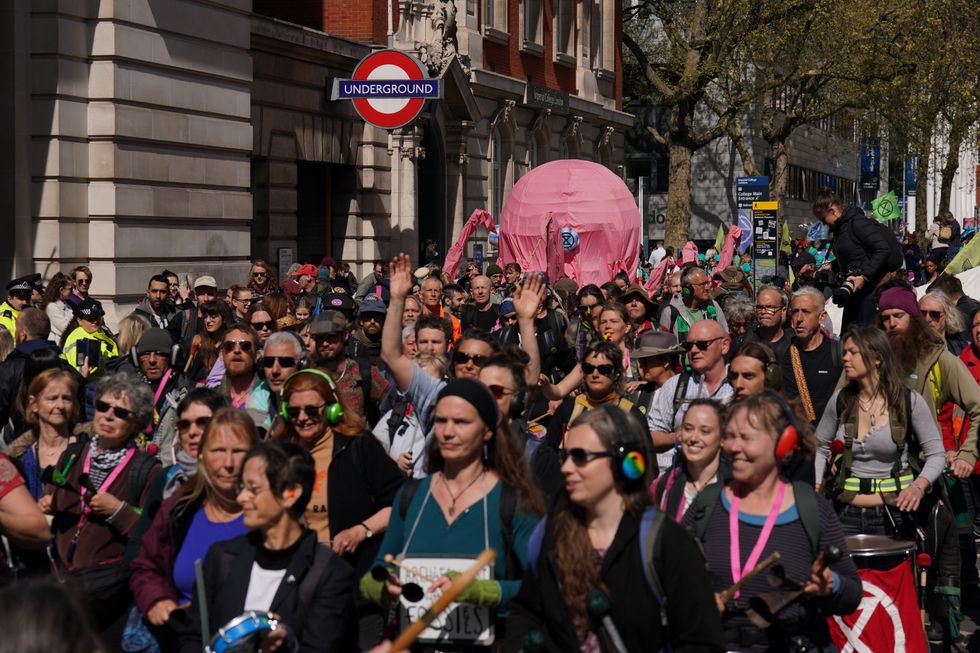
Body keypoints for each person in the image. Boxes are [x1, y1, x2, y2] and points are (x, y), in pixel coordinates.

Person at [506, 404, 726, 651]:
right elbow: (526, 613)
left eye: (580, 457)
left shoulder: (668, 544)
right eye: (566, 457)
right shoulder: (552, 533)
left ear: (627, 462)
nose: (566, 468)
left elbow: (702, 642)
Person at [360, 379, 545, 645]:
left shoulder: (513, 501)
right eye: (441, 421)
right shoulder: (411, 496)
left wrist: (481, 590)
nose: (447, 432)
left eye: (461, 422)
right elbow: (378, 570)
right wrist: (381, 586)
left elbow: (541, 586)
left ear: (488, 431)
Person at [686, 392, 862, 652]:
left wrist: (830, 585)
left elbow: (852, 594)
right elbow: (668, 581)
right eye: (730, 436)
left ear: (783, 444)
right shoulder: (706, 506)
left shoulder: (812, 509)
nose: (734, 447)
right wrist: (695, 600)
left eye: (746, 438)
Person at [812, 325, 955, 640]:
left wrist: (918, 486)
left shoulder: (908, 401)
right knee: (844, 602)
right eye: (844, 352)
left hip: (892, 519)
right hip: (845, 516)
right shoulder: (841, 400)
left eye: (852, 352)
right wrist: (817, 485)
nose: (845, 359)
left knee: (888, 599)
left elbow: (936, 454)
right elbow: (820, 446)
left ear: (876, 357)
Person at [178, 441, 355, 653]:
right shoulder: (223, 556)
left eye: (253, 489)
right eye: (241, 487)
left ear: (291, 493)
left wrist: (287, 644)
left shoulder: (329, 573)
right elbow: (194, 636)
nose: (241, 498)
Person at [271, 368, 404, 648]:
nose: (303, 418)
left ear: (331, 408)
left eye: (311, 410)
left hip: (354, 590)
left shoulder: (359, 446)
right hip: (297, 591)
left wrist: (361, 531)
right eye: (294, 412)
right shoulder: (279, 455)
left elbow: (401, 502)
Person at [46, 372, 161, 651]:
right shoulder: (73, 454)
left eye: (120, 412)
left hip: (108, 598)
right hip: (62, 585)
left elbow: (152, 538)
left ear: (136, 423)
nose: (108, 416)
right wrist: (47, 505)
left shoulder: (147, 471)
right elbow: (58, 505)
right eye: (103, 407)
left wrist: (119, 511)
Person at [130, 407, 257, 649]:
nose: (228, 464)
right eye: (218, 451)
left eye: (239, 451)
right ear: (202, 456)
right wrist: (157, 599)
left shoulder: (270, 514)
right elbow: (145, 565)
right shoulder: (180, 508)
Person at [877, 284, 980, 477]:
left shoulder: (943, 357)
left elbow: (976, 406)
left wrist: (968, 453)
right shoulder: (869, 358)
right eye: (885, 318)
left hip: (927, 467)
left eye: (899, 316)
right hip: (874, 468)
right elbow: (842, 406)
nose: (891, 323)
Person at [811, 186, 904, 328]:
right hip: (855, 292)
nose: (823, 224)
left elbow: (882, 249)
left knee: (864, 339)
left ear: (832, 211)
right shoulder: (839, 231)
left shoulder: (857, 223)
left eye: (823, 219)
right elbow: (853, 257)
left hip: (871, 290)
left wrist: (864, 276)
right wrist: (832, 267)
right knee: (850, 336)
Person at [545, 340, 651, 456]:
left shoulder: (631, 416)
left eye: (604, 369)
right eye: (589, 368)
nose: (595, 374)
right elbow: (549, 458)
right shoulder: (567, 410)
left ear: (617, 373)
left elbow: (646, 466)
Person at [648, 319, 735, 458]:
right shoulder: (675, 385)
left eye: (702, 344)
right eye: (689, 345)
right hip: (684, 473)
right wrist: (680, 437)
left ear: (724, 345)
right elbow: (652, 435)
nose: (694, 350)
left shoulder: (739, 383)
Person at [652, 398, 730, 523]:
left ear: (722, 438)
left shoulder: (733, 489)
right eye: (688, 429)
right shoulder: (664, 485)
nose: (693, 438)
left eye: (705, 431)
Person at [8, 368, 81, 500]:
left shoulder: (86, 451)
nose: (60, 405)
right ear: (34, 404)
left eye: (66, 398)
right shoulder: (20, 458)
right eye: (52, 399)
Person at [371, 354, 447, 479]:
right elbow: (373, 454)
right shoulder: (396, 415)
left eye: (430, 382)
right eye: (419, 383)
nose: (425, 388)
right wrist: (394, 462)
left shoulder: (443, 422)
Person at [311, 309, 390, 427]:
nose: (325, 343)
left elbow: (391, 405)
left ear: (345, 336)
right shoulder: (309, 376)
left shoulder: (363, 372)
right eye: (320, 338)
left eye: (331, 337)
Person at [780, 287, 842, 426]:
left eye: (806, 312)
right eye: (795, 312)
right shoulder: (784, 352)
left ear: (821, 316)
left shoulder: (838, 352)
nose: (799, 319)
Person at [210, 325, 273, 432]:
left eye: (245, 346)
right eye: (229, 346)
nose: (237, 350)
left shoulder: (271, 397)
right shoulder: (211, 401)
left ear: (256, 356)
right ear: (221, 355)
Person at [660, 265, 728, 337]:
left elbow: (725, 335)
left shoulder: (713, 306)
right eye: (702, 284)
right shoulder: (670, 312)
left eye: (707, 283)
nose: (707, 287)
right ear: (688, 288)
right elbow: (664, 344)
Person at [60, 298, 119, 379]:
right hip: (92, 387)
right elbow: (81, 373)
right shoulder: (80, 340)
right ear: (79, 320)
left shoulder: (99, 334)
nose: (95, 321)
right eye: (90, 319)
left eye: (97, 318)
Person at [734, 286, 793, 361]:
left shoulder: (794, 342)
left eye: (770, 307)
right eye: (759, 307)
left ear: (783, 311)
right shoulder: (743, 341)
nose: (763, 312)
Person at [183, 299, 233, 384]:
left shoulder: (232, 344)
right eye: (205, 317)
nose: (208, 321)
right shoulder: (198, 342)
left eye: (213, 317)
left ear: (224, 319)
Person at [920, 290, 969, 355]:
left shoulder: (960, 344)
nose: (927, 319)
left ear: (948, 315)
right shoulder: (910, 345)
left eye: (934, 314)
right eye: (923, 313)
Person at [348, 295, 386, 372]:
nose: (372, 321)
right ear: (361, 321)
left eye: (377, 317)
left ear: (383, 321)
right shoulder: (350, 347)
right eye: (368, 317)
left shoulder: (389, 347)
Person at [0, 274, 40, 339]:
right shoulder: (4, 315)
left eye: (27, 298)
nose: (25, 302)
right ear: (10, 299)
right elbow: (11, 342)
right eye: (21, 298)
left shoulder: (27, 311)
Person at [41, 273, 75, 342]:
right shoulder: (52, 307)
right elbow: (66, 328)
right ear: (61, 290)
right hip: (57, 346)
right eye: (70, 289)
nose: (73, 292)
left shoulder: (66, 305)